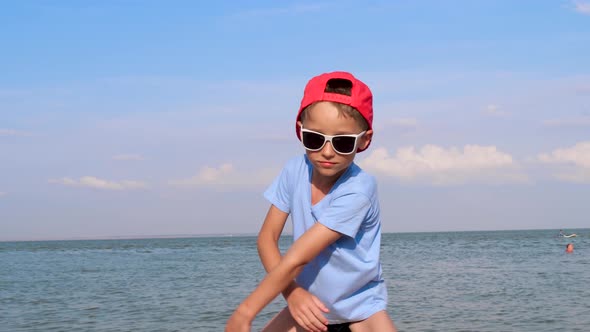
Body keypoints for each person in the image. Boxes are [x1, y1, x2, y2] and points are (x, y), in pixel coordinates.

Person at [225, 71, 397, 332]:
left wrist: (244, 313)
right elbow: (266, 239)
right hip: (309, 309)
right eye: (315, 139)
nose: (327, 152)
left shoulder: (359, 189)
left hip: (363, 314)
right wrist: (293, 294)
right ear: (300, 131)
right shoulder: (295, 170)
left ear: (364, 140)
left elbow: (298, 257)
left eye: (342, 142)